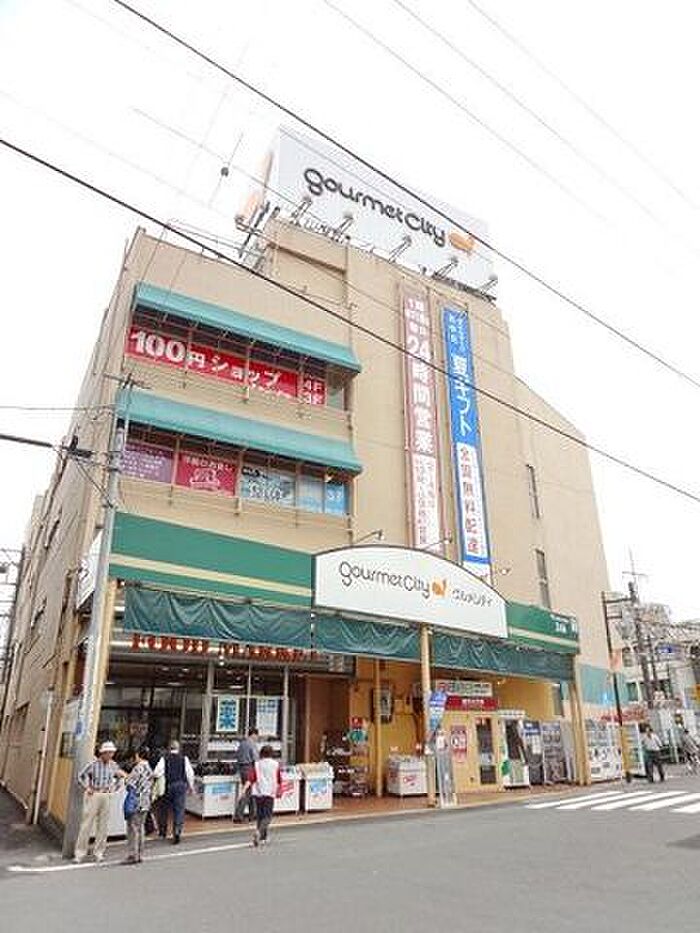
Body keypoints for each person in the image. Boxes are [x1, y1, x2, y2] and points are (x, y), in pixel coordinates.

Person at [74, 740, 125, 864]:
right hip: (94, 794)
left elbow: (120, 777)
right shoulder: (93, 764)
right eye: (108, 752)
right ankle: (79, 853)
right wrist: (87, 787)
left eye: (112, 753)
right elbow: (81, 776)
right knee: (86, 824)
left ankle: (99, 853)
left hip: (106, 794)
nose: (110, 755)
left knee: (103, 825)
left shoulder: (113, 765)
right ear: (103, 753)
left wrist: (115, 788)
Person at [153, 740, 195, 844]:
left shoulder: (164, 759)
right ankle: (177, 832)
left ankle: (163, 832)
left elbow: (156, 773)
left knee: (163, 809)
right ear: (178, 748)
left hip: (168, 785)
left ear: (169, 748)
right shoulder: (184, 759)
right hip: (180, 786)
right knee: (179, 810)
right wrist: (191, 787)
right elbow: (190, 774)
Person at [244, 744, 280, 848]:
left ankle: (263, 837)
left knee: (260, 815)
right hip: (269, 792)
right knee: (267, 816)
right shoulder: (275, 764)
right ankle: (259, 832)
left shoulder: (257, 764)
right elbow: (278, 778)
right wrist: (278, 789)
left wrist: (244, 789)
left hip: (258, 792)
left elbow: (251, 778)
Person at [122, 745, 153, 865]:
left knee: (133, 829)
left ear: (137, 755)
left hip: (135, 802)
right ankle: (140, 854)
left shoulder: (138, 768)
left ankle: (133, 854)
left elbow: (130, 783)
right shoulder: (149, 768)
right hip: (145, 802)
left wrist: (125, 777)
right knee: (141, 828)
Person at [233, 728, 260, 823]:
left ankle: (253, 814)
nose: (257, 738)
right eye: (257, 736)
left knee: (250, 791)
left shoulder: (242, 744)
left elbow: (237, 757)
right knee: (248, 792)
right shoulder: (252, 744)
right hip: (249, 768)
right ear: (253, 735)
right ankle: (238, 815)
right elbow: (255, 759)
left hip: (242, 769)